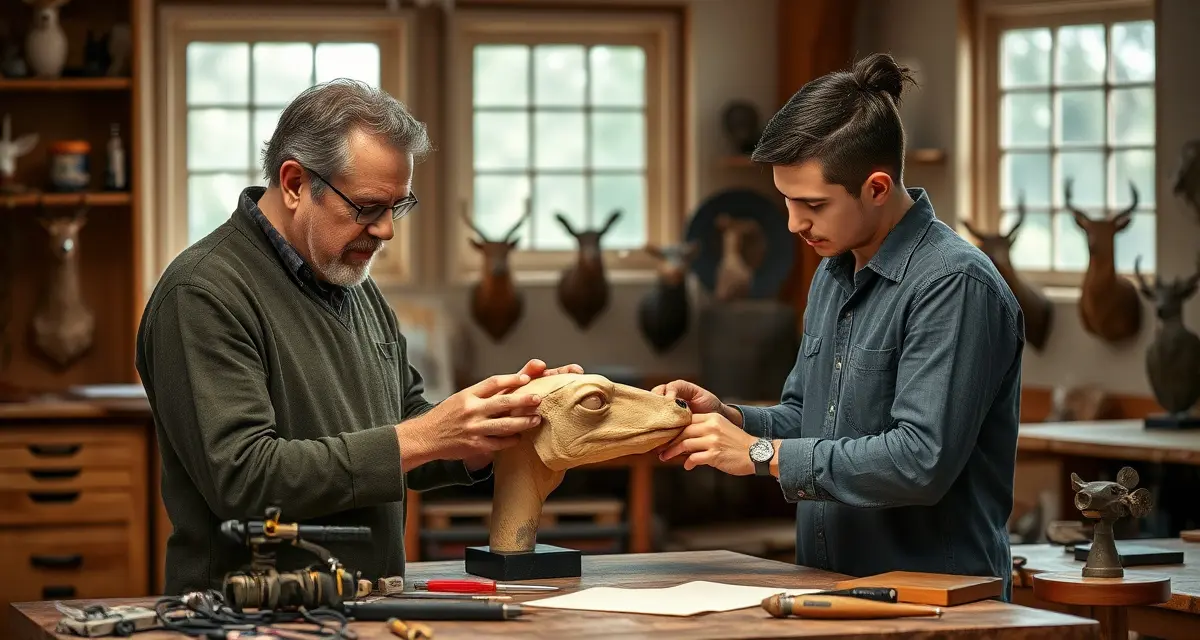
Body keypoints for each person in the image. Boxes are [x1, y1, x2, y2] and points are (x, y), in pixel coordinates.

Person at [136, 79, 580, 595]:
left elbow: (407, 424)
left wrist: (486, 429)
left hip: (367, 604)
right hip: (248, 618)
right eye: (368, 207)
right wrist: (424, 435)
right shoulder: (202, 295)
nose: (387, 231)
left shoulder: (352, 283)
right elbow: (244, 477)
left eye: (398, 206)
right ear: (296, 183)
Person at [655, 53, 1024, 598]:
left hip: (937, 608)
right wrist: (731, 419)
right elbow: (810, 417)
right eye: (785, 201)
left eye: (812, 204)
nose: (792, 223)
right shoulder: (834, 272)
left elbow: (919, 460)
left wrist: (760, 455)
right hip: (829, 591)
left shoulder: (955, 285)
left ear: (877, 187)